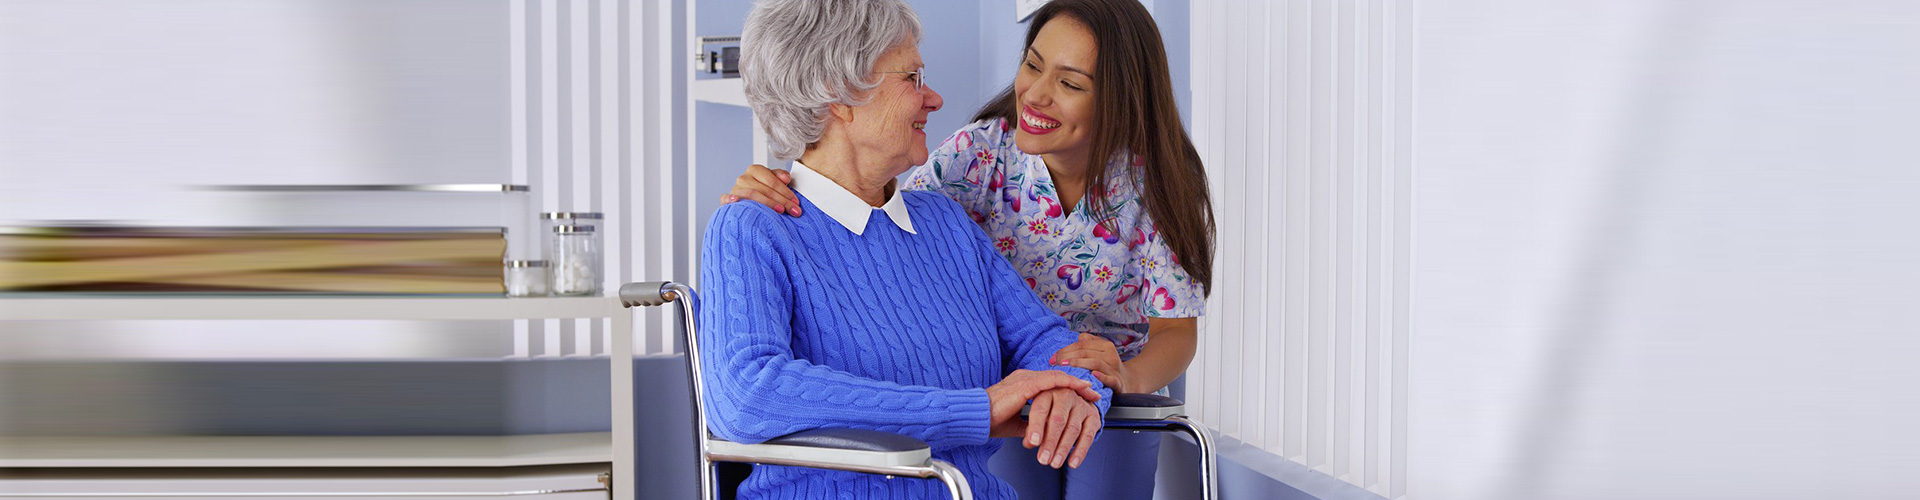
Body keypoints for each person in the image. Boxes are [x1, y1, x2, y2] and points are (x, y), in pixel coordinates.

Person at [720, 0, 1215, 498]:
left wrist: (1068, 384)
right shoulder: (755, 227)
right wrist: (977, 408)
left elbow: (1046, 338)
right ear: (839, 96)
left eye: (1069, 82)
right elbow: (748, 394)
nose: (934, 99)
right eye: (912, 78)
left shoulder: (944, 221)